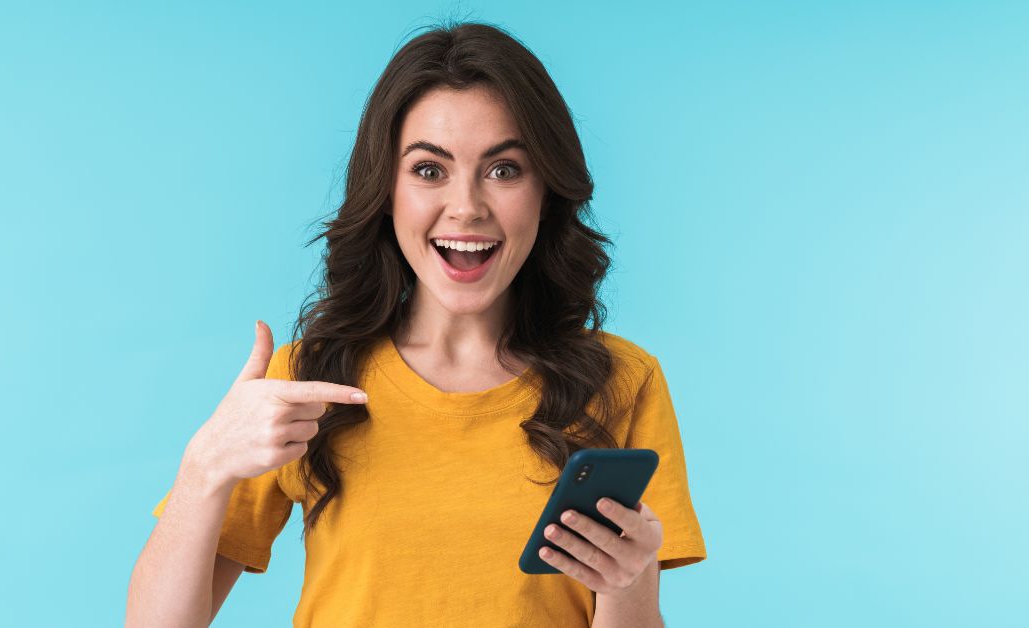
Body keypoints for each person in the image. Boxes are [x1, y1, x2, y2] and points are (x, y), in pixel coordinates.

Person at [127, 20, 706, 628]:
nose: (467, 206)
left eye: (504, 169)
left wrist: (629, 579)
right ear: (386, 191)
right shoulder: (308, 382)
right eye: (430, 170)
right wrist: (204, 466)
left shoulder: (622, 381)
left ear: (546, 192)